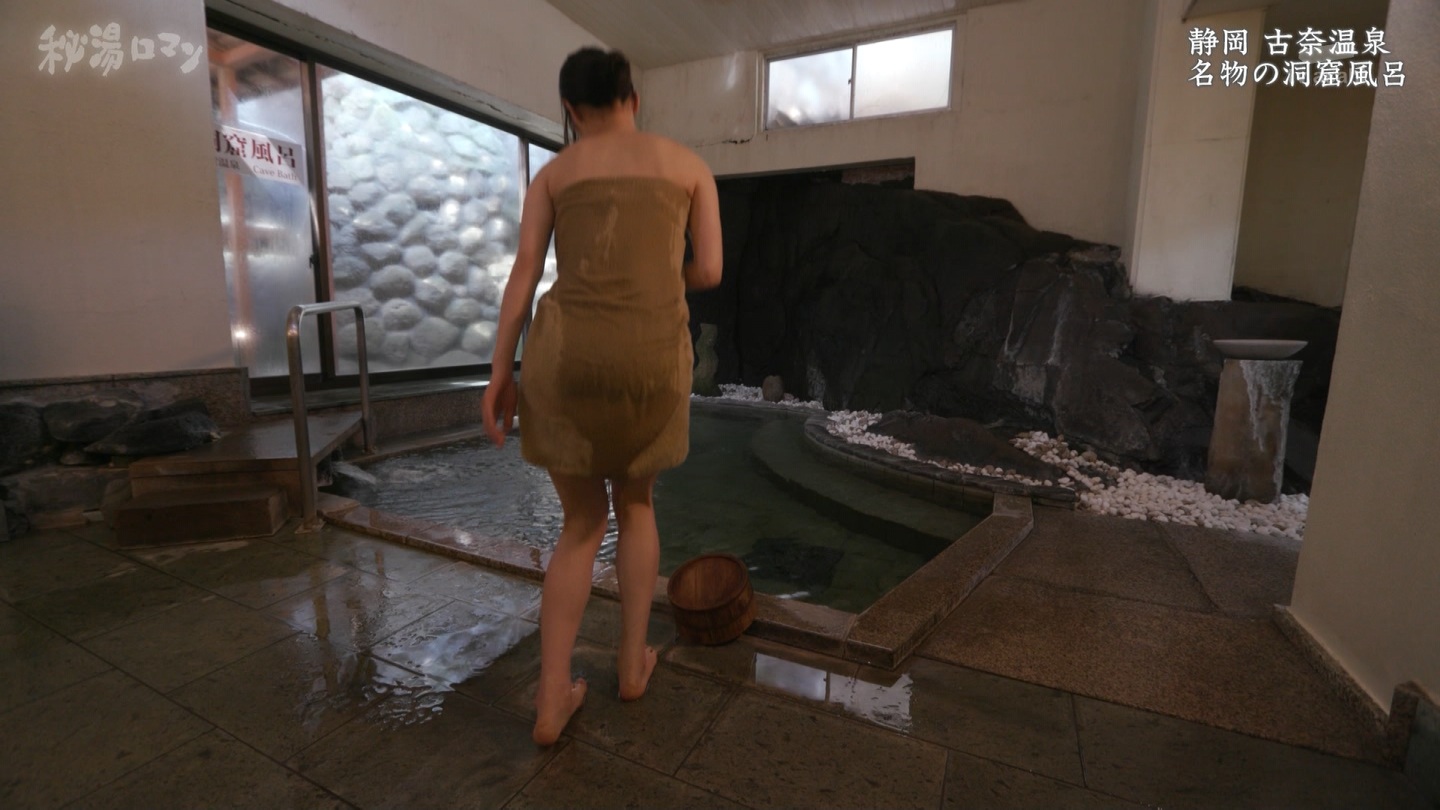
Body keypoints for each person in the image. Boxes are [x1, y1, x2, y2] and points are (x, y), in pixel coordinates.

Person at [481, 46, 723, 746]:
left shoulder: (554, 175)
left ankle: (551, 696)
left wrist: (499, 374)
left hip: (565, 358)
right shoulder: (689, 167)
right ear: (632, 99)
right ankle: (631, 665)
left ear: (571, 110)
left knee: (581, 524)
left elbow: (525, 275)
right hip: (650, 358)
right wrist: (658, 270)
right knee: (638, 506)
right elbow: (709, 268)